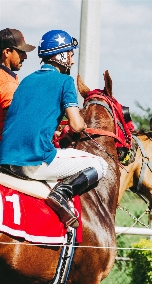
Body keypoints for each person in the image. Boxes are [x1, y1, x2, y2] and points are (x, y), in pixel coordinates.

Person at [0, 30, 108, 229]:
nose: (73, 61)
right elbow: (75, 125)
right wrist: (82, 125)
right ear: (61, 55)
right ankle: (62, 193)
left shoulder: (25, 80)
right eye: (70, 54)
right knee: (101, 164)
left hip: (5, 159)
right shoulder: (65, 81)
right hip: (33, 161)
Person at [0, 28, 36, 140]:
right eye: (21, 52)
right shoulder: (7, 82)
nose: (25, 56)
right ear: (6, 52)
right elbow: (17, 122)